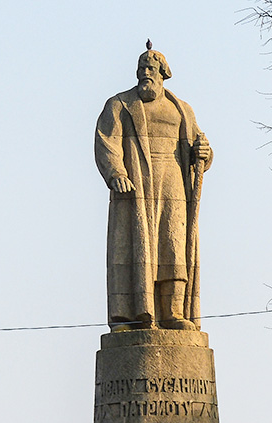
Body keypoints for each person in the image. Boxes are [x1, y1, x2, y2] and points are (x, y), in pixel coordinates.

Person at [95, 44, 212, 330]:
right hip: (135, 186)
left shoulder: (182, 109)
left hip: (173, 185)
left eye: (150, 68)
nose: (145, 73)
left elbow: (199, 148)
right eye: (141, 69)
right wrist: (116, 173)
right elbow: (106, 141)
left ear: (163, 74)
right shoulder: (120, 105)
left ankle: (173, 312)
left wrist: (205, 154)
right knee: (132, 250)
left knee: (173, 247)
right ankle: (130, 316)